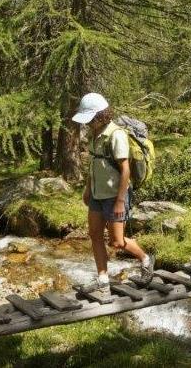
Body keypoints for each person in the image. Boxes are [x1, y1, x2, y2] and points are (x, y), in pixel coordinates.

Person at [71, 93, 155, 292]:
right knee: (95, 234)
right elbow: (94, 164)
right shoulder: (94, 135)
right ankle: (103, 279)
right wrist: (87, 190)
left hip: (115, 196)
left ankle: (145, 258)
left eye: (90, 118)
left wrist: (119, 201)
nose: (87, 123)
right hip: (97, 194)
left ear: (100, 115)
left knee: (117, 242)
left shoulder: (116, 135)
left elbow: (125, 169)